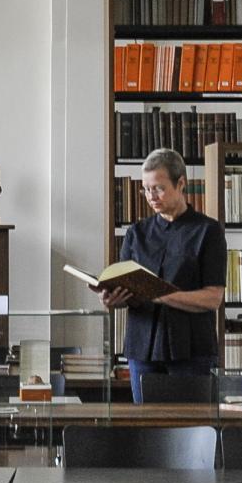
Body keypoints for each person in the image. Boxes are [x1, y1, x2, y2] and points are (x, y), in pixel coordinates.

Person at [99, 148, 225, 402]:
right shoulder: (136, 233)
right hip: (142, 348)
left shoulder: (208, 231)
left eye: (158, 188)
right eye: (146, 189)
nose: (151, 197)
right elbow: (127, 289)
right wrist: (112, 299)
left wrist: (160, 294)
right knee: (145, 423)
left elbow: (213, 298)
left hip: (191, 349)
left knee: (191, 422)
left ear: (181, 184)